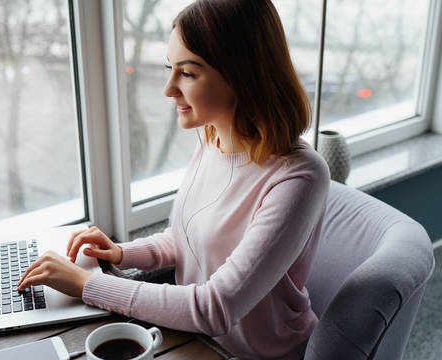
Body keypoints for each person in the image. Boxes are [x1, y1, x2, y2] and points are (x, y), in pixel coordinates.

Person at [17, 0, 330, 358]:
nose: (168, 88)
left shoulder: (299, 178)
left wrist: (88, 284)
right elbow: (185, 239)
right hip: (193, 339)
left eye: (188, 73)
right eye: (170, 68)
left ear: (243, 74)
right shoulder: (212, 138)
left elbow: (216, 307)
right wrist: (121, 253)